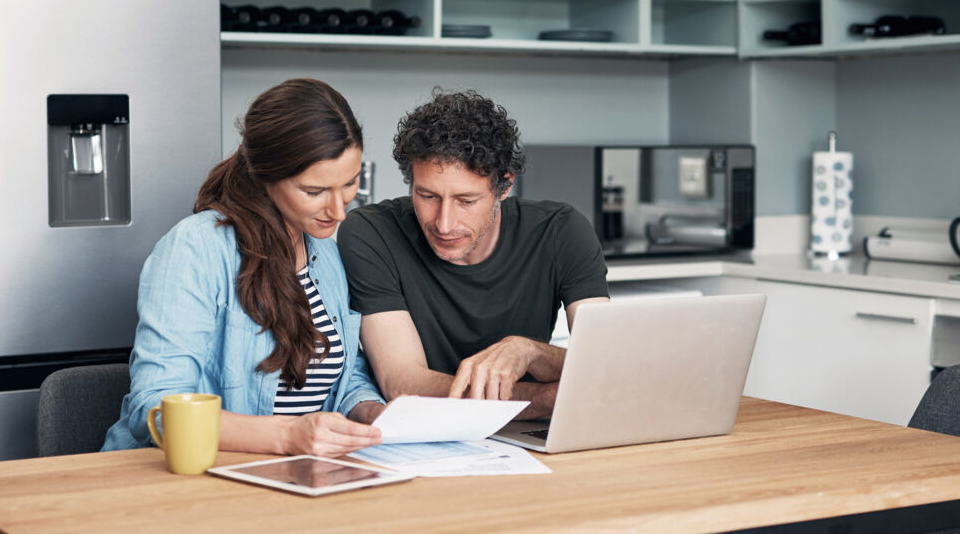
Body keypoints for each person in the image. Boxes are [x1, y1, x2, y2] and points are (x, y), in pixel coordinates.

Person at [103, 78, 385, 458]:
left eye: (349, 184)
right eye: (314, 192)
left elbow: (341, 375)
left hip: (292, 478)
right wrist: (287, 436)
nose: (338, 211)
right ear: (266, 176)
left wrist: (370, 410)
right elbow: (157, 408)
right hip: (190, 480)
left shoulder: (323, 251)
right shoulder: (196, 248)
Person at [336, 89, 609, 418]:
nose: (444, 223)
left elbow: (602, 364)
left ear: (505, 186)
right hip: (425, 430)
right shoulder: (372, 233)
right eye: (427, 196)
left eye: (466, 201)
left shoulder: (561, 232)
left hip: (524, 434)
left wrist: (531, 352)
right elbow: (402, 381)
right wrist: (545, 400)